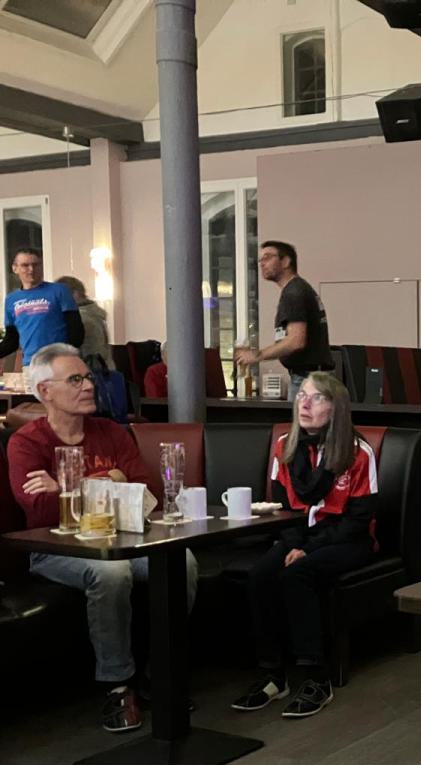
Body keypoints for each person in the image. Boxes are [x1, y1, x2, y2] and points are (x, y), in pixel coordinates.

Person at [6, 343, 198, 733]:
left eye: (88, 377)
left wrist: (66, 486)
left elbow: (145, 490)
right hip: (54, 550)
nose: (89, 386)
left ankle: (158, 673)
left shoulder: (110, 432)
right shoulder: (26, 443)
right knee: (111, 573)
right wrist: (112, 479)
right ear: (45, 391)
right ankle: (117, 686)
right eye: (75, 379)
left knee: (182, 560)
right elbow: (39, 510)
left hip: (118, 539)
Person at [231, 372, 378, 719]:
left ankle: (316, 677)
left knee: (296, 574)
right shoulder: (285, 446)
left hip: (347, 538)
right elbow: (282, 509)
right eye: (301, 397)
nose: (305, 404)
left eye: (317, 398)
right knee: (260, 575)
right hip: (297, 534)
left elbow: (358, 519)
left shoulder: (358, 452)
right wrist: (296, 544)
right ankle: (272, 675)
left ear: (336, 407)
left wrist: (309, 550)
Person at [234, 241, 333, 400]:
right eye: (260, 260)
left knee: (302, 416)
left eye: (267, 257)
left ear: (286, 261)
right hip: (309, 377)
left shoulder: (294, 292)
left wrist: (257, 355)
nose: (262, 264)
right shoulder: (297, 289)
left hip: (306, 379)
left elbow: (296, 341)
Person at [0, 248, 83, 364]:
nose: (31, 269)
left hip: (60, 362)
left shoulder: (60, 290)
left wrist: (66, 356)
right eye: (25, 265)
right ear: (15, 268)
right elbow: (12, 340)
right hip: (31, 364)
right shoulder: (11, 300)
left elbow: (76, 331)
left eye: (36, 265)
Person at [56, 276, 114, 368]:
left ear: (75, 294)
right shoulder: (93, 314)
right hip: (103, 369)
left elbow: (88, 356)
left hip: (91, 371)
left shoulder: (82, 318)